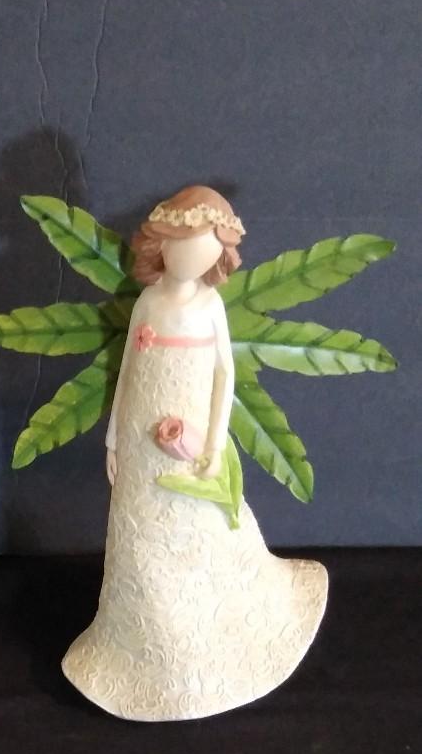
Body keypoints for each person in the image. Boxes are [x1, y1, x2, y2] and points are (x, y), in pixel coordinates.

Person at [62, 186, 327, 721]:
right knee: (142, 534)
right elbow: (127, 372)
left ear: (220, 256)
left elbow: (224, 374)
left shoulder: (210, 306)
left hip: (190, 444)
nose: (192, 259)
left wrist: (212, 442)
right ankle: (145, 644)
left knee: (199, 527)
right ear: (159, 245)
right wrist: (113, 437)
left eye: (205, 250)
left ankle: (206, 636)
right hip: (140, 443)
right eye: (181, 246)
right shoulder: (148, 303)